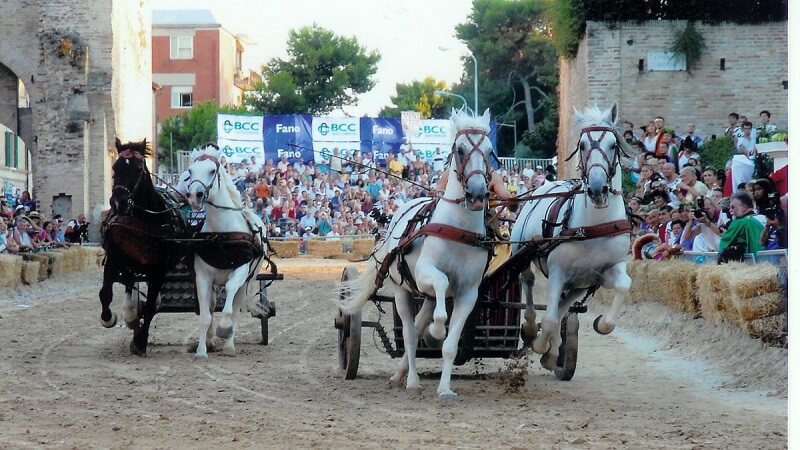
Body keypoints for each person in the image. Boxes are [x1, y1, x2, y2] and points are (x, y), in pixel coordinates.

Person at [718, 192, 764, 263]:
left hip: (746, 263)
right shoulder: (760, 219)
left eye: (733, 207)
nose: (730, 210)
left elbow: (725, 242)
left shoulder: (739, 222)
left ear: (744, 207)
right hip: (763, 259)